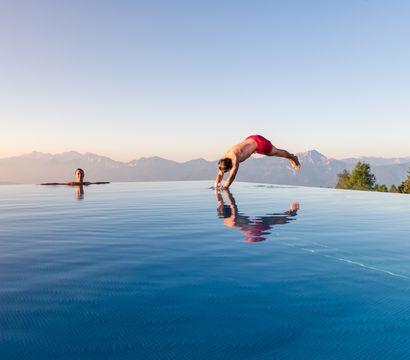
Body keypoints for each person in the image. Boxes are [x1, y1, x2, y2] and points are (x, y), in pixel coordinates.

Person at [215, 135, 301, 189]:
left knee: (276, 153)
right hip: (251, 139)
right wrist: (216, 185)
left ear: (230, 166)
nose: (226, 172)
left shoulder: (235, 159)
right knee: (272, 154)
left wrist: (224, 188)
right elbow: (220, 174)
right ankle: (290, 158)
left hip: (260, 143)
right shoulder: (224, 158)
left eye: (227, 170)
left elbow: (231, 177)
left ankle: (293, 158)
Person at [215, 188, 299, 242]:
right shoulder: (233, 216)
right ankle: (292, 212)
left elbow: (220, 203)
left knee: (274, 219)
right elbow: (232, 203)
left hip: (251, 232)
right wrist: (227, 193)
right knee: (274, 219)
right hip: (255, 228)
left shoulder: (226, 221)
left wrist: (218, 191)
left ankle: (290, 213)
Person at [40, 168, 110, 186]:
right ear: (75, 175)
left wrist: (106, 182)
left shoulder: (86, 184)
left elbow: (96, 183)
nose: (80, 175)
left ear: (84, 175)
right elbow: (57, 184)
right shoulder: (71, 184)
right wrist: (44, 184)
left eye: (82, 173)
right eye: (78, 173)